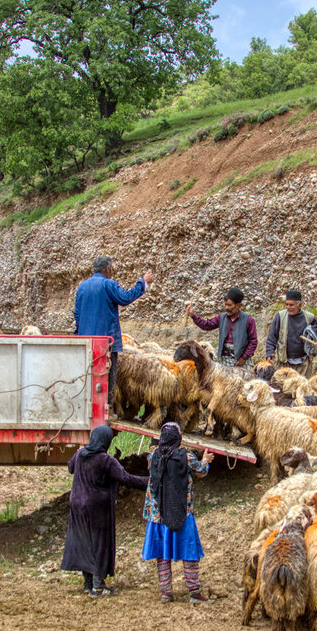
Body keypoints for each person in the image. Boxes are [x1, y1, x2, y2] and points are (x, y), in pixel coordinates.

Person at [62, 425, 150, 596]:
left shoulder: (80, 454)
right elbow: (126, 478)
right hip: (96, 507)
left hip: (76, 504)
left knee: (83, 541)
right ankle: (98, 586)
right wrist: (150, 482)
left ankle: (88, 583)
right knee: (99, 543)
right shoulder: (105, 460)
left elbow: (70, 467)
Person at [141, 423, 214, 603]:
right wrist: (206, 460)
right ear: (178, 438)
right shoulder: (186, 457)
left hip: (157, 515)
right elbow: (201, 471)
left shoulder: (153, 457)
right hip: (181, 511)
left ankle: (166, 593)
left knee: (161, 555)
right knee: (189, 551)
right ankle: (194, 592)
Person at [74, 256, 154, 411]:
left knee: (88, 374)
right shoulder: (107, 284)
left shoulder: (82, 286)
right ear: (108, 269)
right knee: (108, 375)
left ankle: (86, 408)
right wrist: (143, 283)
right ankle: (105, 408)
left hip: (86, 341)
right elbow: (125, 298)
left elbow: (77, 314)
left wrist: (81, 332)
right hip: (106, 341)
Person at [186, 288, 257, 369]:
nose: (227, 308)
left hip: (242, 361)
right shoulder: (222, 317)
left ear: (238, 305)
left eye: (230, 305)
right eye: (226, 304)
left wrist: (244, 357)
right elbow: (206, 325)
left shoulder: (248, 320)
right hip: (225, 360)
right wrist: (193, 316)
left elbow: (253, 341)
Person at [265, 289, 317, 376]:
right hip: (284, 363)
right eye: (287, 304)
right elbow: (272, 337)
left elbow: (315, 335)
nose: (288, 307)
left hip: (303, 364)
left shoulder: (309, 317)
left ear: (299, 305)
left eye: (291, 305)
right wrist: (270, 353)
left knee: (302, 388)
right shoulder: (280, 316)